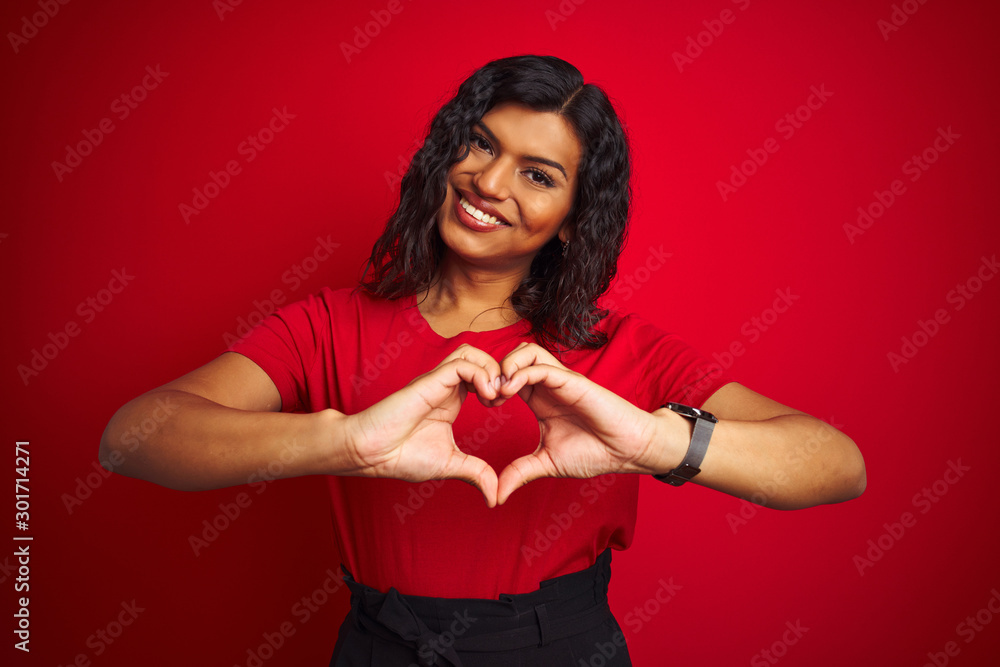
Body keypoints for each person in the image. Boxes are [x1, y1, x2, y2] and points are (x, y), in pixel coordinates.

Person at [100, 54, 866, 666]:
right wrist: (348, 440)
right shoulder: (327, 324)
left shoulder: (620, 349)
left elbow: (835, 464)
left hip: (562, 650)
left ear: (572, 220)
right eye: (481, 143)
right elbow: (131, 437)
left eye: (539, 174)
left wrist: (653, 441)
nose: (490, 183)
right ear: (447, 151)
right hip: (378, 647)